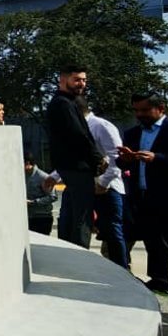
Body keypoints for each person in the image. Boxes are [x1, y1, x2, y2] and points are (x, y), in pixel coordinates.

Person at [119, 94, 168, 298]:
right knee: (154, 241)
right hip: (144, 196)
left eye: (144, 110)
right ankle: (160, 279)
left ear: (160, 108)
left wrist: (157, 158)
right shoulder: (133, 133)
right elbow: (124, 165)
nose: (139, 115)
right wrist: (125, 159)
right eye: (136, 110)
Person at [46, 64, 105, 249]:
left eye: (84, 80)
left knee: (71, 214)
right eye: (77, 79)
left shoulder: (67, 102)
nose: (82, 83)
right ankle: (80, 255)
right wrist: (97, 159)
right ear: (63, 80)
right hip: (76, 167)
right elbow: (78, 135)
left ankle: (70, 252)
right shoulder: (63, 104)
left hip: (72, 167)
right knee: (82, 216)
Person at [81, 97, 128, 269]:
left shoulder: (101, 126)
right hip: (90, 187)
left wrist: (103, 183)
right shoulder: (81, 128)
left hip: (108, 189)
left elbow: (117, 159)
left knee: (112, 232)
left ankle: (122, 270)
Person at [25, 153, 57, 235]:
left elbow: (53, 196)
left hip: (41, 217)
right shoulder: (23, 175)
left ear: (28, 164)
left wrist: (34, 202)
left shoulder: (42, 177)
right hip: (29, 216)